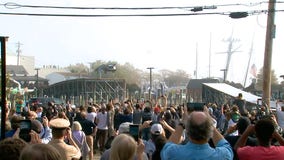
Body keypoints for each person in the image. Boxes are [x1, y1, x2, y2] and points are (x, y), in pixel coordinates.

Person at [161, 111, 233, 160]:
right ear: (209, 132)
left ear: (188, 131)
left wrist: (182, 124)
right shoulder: (222, 156)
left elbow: (166, 148)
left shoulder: (174, 153)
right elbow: (226, 147)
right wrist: (210, 124)